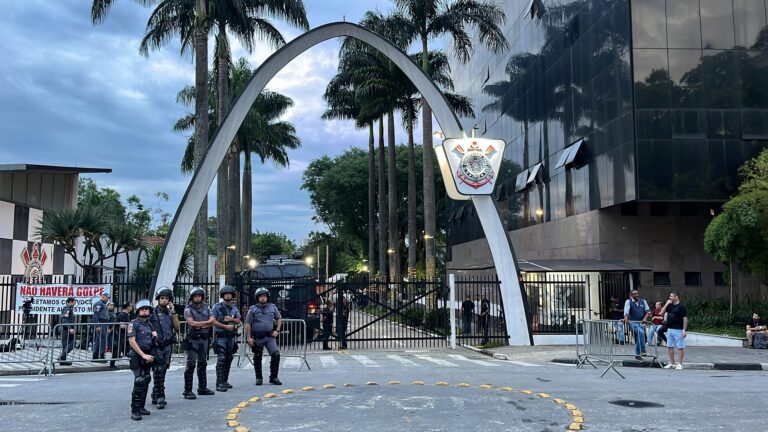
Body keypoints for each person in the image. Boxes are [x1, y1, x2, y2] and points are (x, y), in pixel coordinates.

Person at [182, 287, 216, 399]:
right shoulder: (188, 309)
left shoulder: (207, 307)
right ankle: (187, 390)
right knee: (191, 364)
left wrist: (200, 324)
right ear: (192, 298)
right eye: (195, 296)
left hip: (204, 338)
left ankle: (202, 387)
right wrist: (206, 323)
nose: (198, 298)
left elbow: (212, 321)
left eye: (199, 296)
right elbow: (191, 323)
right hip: (193, 339)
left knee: (202, 363)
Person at [127, 299, 157, 421]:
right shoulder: (133, 324)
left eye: (147, 309)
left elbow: (154, 335)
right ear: (138, 311)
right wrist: (143, 355)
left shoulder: (149, 324)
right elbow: (132, 341)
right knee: (139, 380)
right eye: (142, 309)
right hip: (136, 355)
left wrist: (155, 338)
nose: (145, 311)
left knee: (146, 379)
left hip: (148, 354)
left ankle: (141, 407)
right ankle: (135, 410)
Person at [245, 287, 283, 385]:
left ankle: (274, 377)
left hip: (270, 337)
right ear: (257, 298)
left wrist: (277, 330)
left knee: (276, 355)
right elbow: (248, 323)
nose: (263, 298)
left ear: (267, 297)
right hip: (258, 337)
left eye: (264, 296)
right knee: (257, 357)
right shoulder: (252, 309)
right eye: (261, 296)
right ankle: (259, 378)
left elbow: (279, 319)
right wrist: (248, 338)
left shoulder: (273, 307)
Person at [150, 288, 179, 408]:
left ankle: (156, 392)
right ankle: (160, 396)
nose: (164, 300)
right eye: (162, 298)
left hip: (167, 345)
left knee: (164, 370)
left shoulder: (170, 313)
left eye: (166, 299)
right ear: (158, 299)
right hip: (156, 345)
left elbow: (177, 327)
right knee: (158, 370)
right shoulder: (152, 312)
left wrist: (173, 313)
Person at [212, 286, 242, 392]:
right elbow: (212, 320)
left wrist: (232, 319)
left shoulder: (234, 308)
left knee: (229, 358)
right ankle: (219, 383)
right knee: (221, 359)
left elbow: (239, 320)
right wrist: (224, 326)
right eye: (226, 293)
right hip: (221, 336)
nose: (228, 295)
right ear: (222, 295)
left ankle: (224, 380)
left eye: (230, 293)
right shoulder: (217, 307)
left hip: (231, 337)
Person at [660, 291, 687, 370]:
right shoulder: (669, 305)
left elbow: (685, 319)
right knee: (669, 346)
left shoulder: (681, 306)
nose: (670, 298)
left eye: (671, 296)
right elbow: (661, 313)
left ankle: (680, 364)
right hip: (670, 329)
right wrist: (666, 304)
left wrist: (684, 330)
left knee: (680, 347)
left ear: (676, 297)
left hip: (678, 329)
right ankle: (672, 363)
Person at [623, 290, 650, 360]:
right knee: (641, 333)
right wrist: (625, 318)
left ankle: (638, 355)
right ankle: (643, 350)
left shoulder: (643, 301)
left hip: (641, 322)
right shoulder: (628, 301)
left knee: (639, 338)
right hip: (633, 322)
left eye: (637, 293)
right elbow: (626, 312)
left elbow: (648, 311)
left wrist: (645, 319)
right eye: (634, 294)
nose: (637, 295)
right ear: (631, 295)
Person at [110, 302, 133, 369]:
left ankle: (132, 364)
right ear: (127, 307)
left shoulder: (126, 314)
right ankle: (112, 365)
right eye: (131, 306)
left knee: (128, 351)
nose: (131, 308)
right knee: (117, 350)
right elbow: (122, 326)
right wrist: (129, 326)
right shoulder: (122, 315)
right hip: (120, 335)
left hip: (124, 335)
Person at [92, 291, 111, 360]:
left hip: (104, 324)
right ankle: (101, 355)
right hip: (101, 323)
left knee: (99, 339)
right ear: (102, 297)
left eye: (108, 298)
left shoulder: (103, 304)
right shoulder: (99, 304)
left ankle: (97, 355)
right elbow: (95, 315)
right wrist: (97, 326)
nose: (107, 299)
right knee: (102, 340)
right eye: (106, 297)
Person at [58, 297, 77, 366]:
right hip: (65, 329)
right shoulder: (67, 309)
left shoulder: (69, 309)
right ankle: (62, 357)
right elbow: (65, 320)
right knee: (72, 343)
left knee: (66, 345)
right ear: (70, 302)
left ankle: (63, 360)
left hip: (67, 329)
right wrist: (69, 328)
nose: (75, 303)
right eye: (74, 302)